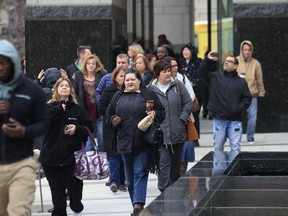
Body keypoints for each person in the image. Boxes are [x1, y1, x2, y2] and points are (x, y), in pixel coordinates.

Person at [0, 39, 50, 215]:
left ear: (13, 62)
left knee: (18, 211)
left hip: (21, 163)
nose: (0, 67)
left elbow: (44, 123)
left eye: (3, 62)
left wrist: (23, 131)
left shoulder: (31, 90)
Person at [106, 69, 165, 216]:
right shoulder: (117, 96)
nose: (130, 82)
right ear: (123, 82)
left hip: (144, 141)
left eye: (133, 79)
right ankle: (136, 207)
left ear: (139, 80)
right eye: (127, 80)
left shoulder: (149, 94)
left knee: (140, 172)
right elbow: (107, 114)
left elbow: (162, 112)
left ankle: (138, 204)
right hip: (124, 142)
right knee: (130, 179)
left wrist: (154, 114)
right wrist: (113, 119)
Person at [39, 77, 93, 216]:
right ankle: (59, 212)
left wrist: (77, 129)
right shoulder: (48, 107)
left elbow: (89, 128)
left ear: (71, 90)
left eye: (67, 86)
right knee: (57, 193)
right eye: (61, 86)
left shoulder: (78, 109)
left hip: (73, 159)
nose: (64, 88)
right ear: (56, 89)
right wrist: (59, 109)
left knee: (75, 190)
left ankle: (76, 203)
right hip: (51, 159)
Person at [198, 52, 252, 173]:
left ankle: (234, 173)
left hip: (235, 120)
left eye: (230, 61)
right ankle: (220, 174)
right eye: (225, 61)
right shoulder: (215, 77)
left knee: (235, 148)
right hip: (219, 119)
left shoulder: (241, 82)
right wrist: (207, 60)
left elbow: (247, 98)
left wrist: (239, 108)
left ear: (236, 66)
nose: (226, 62)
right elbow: (201, 73)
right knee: (218, 147)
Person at [147, 60, 192, 192]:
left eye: (168, 70)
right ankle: (164, 190)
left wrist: (181, 119)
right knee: (164, 163)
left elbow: (188, 103)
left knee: (175, 164)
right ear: (157, 74)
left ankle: (175, 189)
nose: (167, 73)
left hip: (178, 132)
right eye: (164, 71)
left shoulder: (177, 85)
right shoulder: (150, 89)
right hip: (160, 134)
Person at [95, 53, 129, 188]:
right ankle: (114, 181)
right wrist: (112, 117)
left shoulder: (131, 90)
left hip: (126, 127)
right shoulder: (108, 90)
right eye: (121, 76)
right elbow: (101, 107)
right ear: (114, 77)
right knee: (113, 154)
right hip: (111, 127)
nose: (124, 78)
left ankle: (123, 181)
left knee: (125, 154)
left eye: (125, 76)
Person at [164, 56, 196, 176]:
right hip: (167, 121)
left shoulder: (182, 78)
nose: (175, 68)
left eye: (177, 65)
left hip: (184, 118)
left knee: (186, 147)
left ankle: (181, 173)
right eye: (172, 66)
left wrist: (182, 115)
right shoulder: (158, 82)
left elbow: (191, 97)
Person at [73, 54, 107, 152]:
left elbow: (106, 91)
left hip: (98, 110)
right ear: (85, 65)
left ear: (97, 65)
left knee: (101, 136)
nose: (91, 65)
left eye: (93, 63)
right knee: (88, 139)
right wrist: (78, 105)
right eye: (88, 64)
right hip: (85, 110)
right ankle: (89, 160)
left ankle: (101, 157)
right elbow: (75, 93)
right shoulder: (79, 75)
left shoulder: (102, 75)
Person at [236, 40, 265, 144]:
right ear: (241, 50)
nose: (247, 52)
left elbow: (259, 79)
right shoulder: (236, 61)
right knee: (236, 117)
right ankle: (236, 137)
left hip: (252, 94)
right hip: (238, 95)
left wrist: (261, 92)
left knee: (252, 117)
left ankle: (250, 137)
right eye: (245, 50)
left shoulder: (256, 63)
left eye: (249, 50)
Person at [179, 42, 204, 147]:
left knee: (195, 115)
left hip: (196, 92)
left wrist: (193, 83)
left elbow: (201, 76)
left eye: (187, 50)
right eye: (183, 50)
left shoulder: (198, 62)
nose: (185, 52)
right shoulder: (180, 63)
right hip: (183, 93)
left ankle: (195, 138)